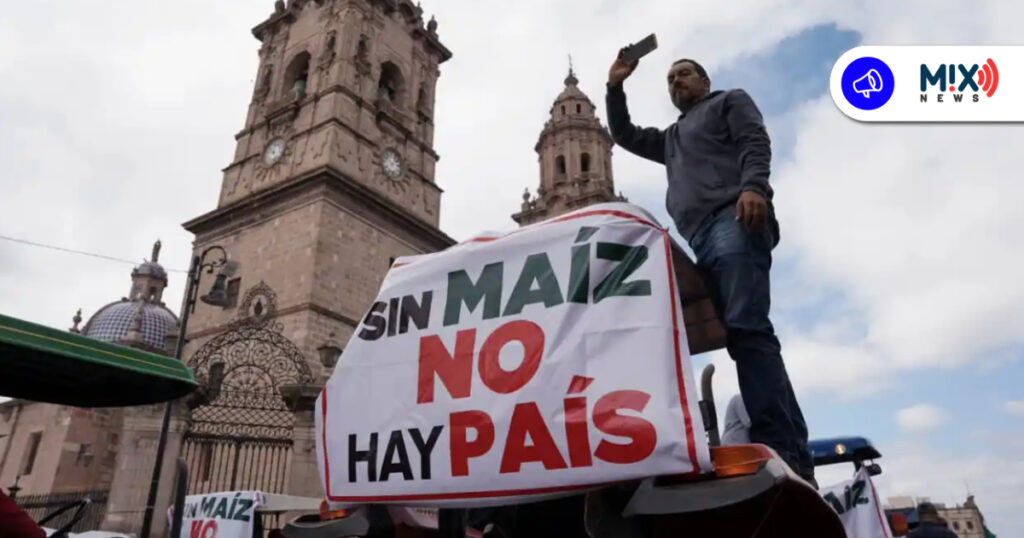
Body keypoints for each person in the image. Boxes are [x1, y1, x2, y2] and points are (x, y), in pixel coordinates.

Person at [605, 50, 815, 485]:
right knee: (747, 334)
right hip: (700, 236)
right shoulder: (671, 138)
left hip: (733, 218)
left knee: (747, 331)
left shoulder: (727, 102)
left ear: (704, 80)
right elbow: (623, 134)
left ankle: (781, 447)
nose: (676, 82)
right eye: (669, 79)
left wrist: (754, 186)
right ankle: (791, 447)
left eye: (683, 74)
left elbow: (755, 141)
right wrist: (615, 87)